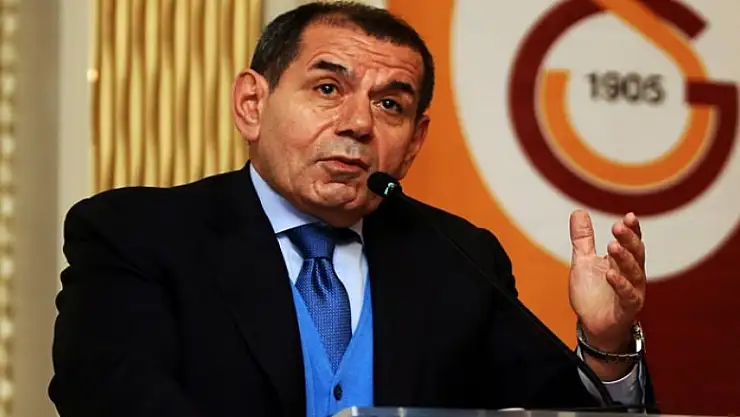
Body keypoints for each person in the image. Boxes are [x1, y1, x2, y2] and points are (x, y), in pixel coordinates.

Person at [49, 2, 655, 417]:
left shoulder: (458, 258)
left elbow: (551, 412)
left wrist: (606, 342)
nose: (358, 124)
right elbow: (108, 397)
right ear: (252, 105)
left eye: (390, 105)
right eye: (328, 89)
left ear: (414, 143)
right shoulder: (137, 235)